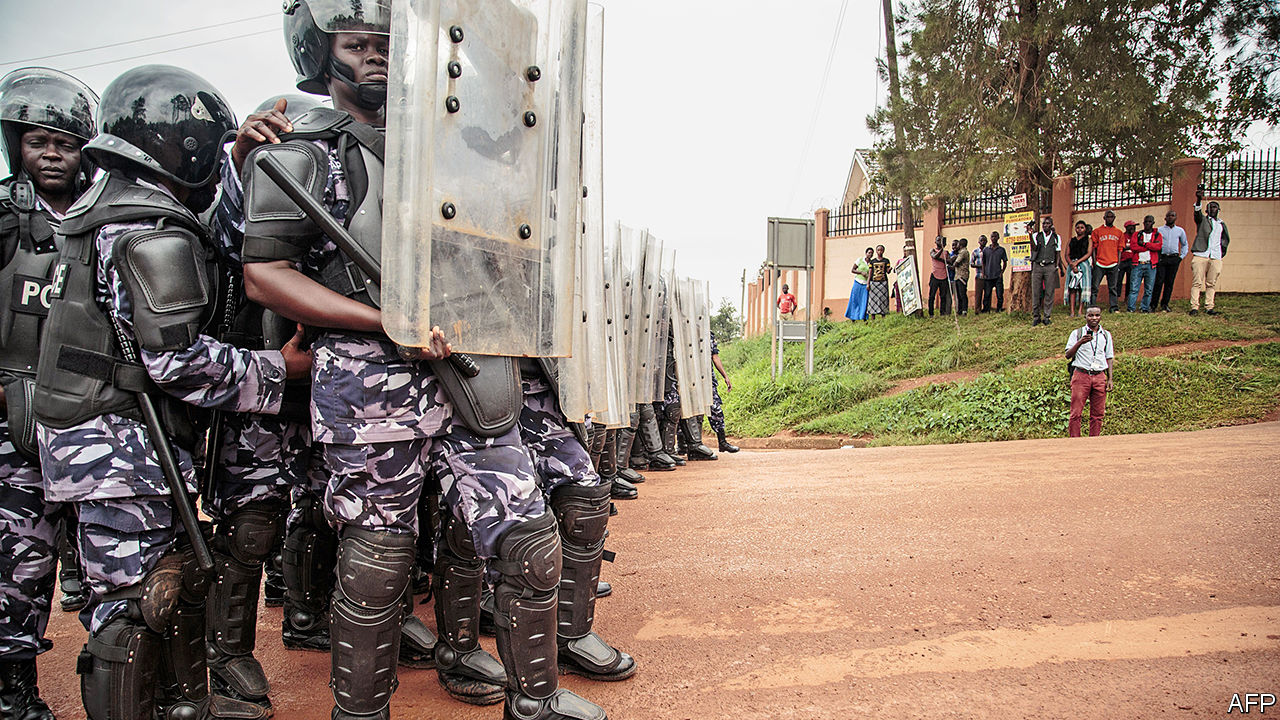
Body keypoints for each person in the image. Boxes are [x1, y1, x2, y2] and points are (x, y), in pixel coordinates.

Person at [240, 5, 628, 718]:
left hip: (475, 372)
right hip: (369, 383)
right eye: (357, 44)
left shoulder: (455, 149)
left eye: (390, 42)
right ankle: (361, 711)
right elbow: (265, 271)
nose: (376, 57)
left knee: (530, 541)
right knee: (380, 556)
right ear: (321, 53)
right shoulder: (300, 149)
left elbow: (524, 123)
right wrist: (384, 320)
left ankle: (534, 701)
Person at [33, 64, 313, 720]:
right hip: (114, 445)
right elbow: (179, 363)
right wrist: (281, 370)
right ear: (180, 144)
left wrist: (240, 163)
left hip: (116, 437)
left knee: (171, 581)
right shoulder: (152, 232)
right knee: (135, 611)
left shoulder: (119, 206)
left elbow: (221, 238)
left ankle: (186, 705)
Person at [0, 66, 99, 720]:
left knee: (101, 565)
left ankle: (116, 679)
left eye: (65, 143)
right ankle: (15, 692)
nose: (54, 155)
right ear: (17, 146)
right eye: (40, 142)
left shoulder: (100, 216)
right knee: (20, 568)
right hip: (14, 419)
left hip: (87, 419)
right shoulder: (6, 218)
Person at [1065, 306, 1114, 437]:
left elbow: (1109, 357)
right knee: (1076, 412)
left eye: (1097, 315)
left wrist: (1109, 379)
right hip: (1081, 375)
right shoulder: (1077, 333)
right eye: (1090, 315)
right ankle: (1075, 441)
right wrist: (1080, 342)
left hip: (1099, 376)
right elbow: (1068, 355)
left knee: (1098, 414)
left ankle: (1094, 441)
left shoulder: (1106, 335)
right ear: (1085, 317)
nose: (1094, 318)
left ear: (1100, 316)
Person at [1189, 185, 1230, 316]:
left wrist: (1221, 253)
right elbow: (1196, 213)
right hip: (1201, 254)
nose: (1212, 208)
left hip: (1216, 256)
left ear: (1219, 209)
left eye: (1215, 206)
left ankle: (1209, 307)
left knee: (1211, 283)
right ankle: (1194, 307)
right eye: (1210, 207)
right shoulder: (1203, 221)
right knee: (1197, 282)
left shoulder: (1222, 224)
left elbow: (1225, 239)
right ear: (1206, 210)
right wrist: (1199, 199)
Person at [707, 331, 738, 453]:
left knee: (716, 409)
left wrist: (725, 376)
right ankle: (684, 446)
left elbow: (715, 356)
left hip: (708, 379)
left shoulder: (709, 335)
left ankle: (722, 442)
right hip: (687, 378)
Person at [1152, 209, 1188, 312]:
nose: (1170, 217)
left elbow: (1185, 244)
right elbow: (1155, 243)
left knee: (1169, 282)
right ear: (1165, 218)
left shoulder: (1180, 231)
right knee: (1158, 282)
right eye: (1168, 216)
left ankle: (1165, 304)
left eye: (1172, 215)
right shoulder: (1159, 230)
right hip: (1162, 258)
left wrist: (1181, 257)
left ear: (1176, 218)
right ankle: (1153, 304)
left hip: (1174, 259)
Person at [1090, 210, 1125, 312]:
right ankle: (1092, 307)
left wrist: (1118, 262)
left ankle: (1114, 307)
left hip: (1113, 263)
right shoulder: (1097, 231)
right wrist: (1095, 261)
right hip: (1100, 263)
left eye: (1111, 217)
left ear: (1114, 218)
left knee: (1113, 287)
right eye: (1108, 217)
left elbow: (1120, 249)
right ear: (1104, 218)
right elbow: (1094, 248)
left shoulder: (1119, 232)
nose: (1109, 218)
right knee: (1095, 287)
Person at [1127, 215, 1162, 312]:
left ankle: (1145, 308)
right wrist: (1149, 246)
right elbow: (1134, 247)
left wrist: (1144, 244)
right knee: (1134, 288)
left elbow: (1158, 247)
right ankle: (1131, 308)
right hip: (1137, 264)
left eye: (1150, 222)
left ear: (1153, 223)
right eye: (1146, 222)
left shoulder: (1157, 235)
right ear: (1143, 223)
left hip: (1151, 265)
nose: (1147, 224)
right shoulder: (1137, 234)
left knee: (1149, 289)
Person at [1065, 220, 1093, 318]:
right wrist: (1072, 264)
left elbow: (1089, 253)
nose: (1079, 229)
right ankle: (1072, 311)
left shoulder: (1088, 240)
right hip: (1072, 266)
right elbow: (1066, 254)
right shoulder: (1071, 240)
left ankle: (1080, 311)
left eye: (1082, 227)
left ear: (1085, 229)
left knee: (1082, 288)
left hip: (1083, 265)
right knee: (1072, 288)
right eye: (1078, 227)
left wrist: (1078, 262)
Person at [981, 230, 1008, 312]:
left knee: (999, 294)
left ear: (998, 238)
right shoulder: (986, 250)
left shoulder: (1001, 250)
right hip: (988, 275)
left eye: (995, 236)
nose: (994, 238)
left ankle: (999, 309)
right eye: (992, 236)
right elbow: (983, 262)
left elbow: (1005, 262)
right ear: (990, 238)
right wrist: (983, 273)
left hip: (997, 275)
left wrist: (1002, 272)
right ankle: (986, 309)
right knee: (987, 294)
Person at [845, 247, 871, 322]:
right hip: (858, 282)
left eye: (871, 253)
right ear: (866, 253)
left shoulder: (871, 263)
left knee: (864, 301)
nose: (870, 254)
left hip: (865, 284)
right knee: (854, 299)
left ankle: (863, 317)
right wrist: (860, 272)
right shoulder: (860, 260)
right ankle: (853, 317)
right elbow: (852, 270)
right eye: (869, 253)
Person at [927, 236, 950, 317]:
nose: (940, 242)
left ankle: (942, 312)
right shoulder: (932, 250)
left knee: (943, 296)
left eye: (941, 240)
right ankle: (931, 313)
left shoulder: (946, 252)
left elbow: (949, 261)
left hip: (944, 276)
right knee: (932, 295)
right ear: (935, 242)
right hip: (935, 275)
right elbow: (935, 256)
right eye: (938, 240)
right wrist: (941, 249)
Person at [1116, 220, 1137, 309]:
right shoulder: (1123, 236)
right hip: (1122, 261)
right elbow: (1121, 247)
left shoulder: (1136, 236)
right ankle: (1116, 298)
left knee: (1130, 280)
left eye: (1134, 226)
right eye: (1131, 226)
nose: (1133, 228)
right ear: (1127, 227)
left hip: (1132, 261)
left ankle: (1127, 299)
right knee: (1118, 280)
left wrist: (1129, 247)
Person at [867, 245, 892, 318]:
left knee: (883, 299)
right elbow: (870, 272)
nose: (879, 252)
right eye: (878, 250)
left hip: (883, 283)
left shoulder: (886, 261)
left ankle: (883, 315)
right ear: (876, 251)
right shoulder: (872, 261)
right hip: (874, 282)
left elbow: (887, 271)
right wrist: (868, 283)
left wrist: (890, 269)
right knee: (872, 300)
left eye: (881, 250)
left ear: (883, 251)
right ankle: (873, 316)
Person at [951, 238, 970, 316]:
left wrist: (949, 266)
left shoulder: (963, 252)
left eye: (958, 244)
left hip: (962, 276)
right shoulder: (960, 252)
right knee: (959, 294)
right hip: (958, 276)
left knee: (962, 294)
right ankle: (960, 310)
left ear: (961, 245)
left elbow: (956, 263)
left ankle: (964, 310)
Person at [971, 235, 986, 313]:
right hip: (979, 275)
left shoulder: (988, 251)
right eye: (981, 240)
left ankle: (986, 309)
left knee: (987, 294)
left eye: (984, 240)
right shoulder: (975, 252)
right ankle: (977, 309)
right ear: (979, 242)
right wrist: (980, 266)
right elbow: (972, 264)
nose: (983, 242)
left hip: (987, 276)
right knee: (978, 294)